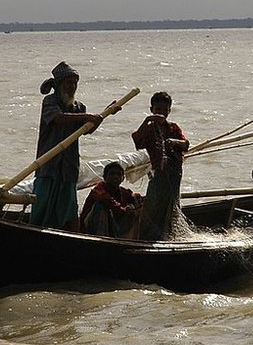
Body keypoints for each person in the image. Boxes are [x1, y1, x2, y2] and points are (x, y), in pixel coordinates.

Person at [29, 61, 107, 231]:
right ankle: (33, 232)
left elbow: (87, 131)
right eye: (68, 83)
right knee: (42, 204)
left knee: (69, 207)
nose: (72, 87)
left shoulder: (79, 107)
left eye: (74, 83)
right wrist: (87, 117)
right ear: (58, 85)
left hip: (69, 167)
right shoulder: (50, 102)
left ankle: (74, 235)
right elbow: (58, 118)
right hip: (48, 164)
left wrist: (100, 119)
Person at [131, 92, 190, 240]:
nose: (161, 113)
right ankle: (147, 236)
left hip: (174, 172)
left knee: (171, 202)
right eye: (158, 110)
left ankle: (169, 234)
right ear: (152, 109)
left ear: (169, 111)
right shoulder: (149, 129)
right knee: (153, 203)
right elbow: (137, 140)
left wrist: (174, 142)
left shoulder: (173, 128)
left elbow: (186, 144)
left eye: (165, 110)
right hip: (158, 172)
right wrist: (147, 120)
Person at [79, 162, 142, 238]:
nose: (115, 177)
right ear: (105, 177)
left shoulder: (123, 192)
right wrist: (126, 210)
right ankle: (100, 239)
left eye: (119, 174)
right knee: (101, 206)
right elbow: (109, 202)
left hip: (111, 226)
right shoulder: (98, 190)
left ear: (122, 178)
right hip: (89, 228)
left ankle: (131, 239)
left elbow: (135, 197)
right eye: (112, 174)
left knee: (135, 206)